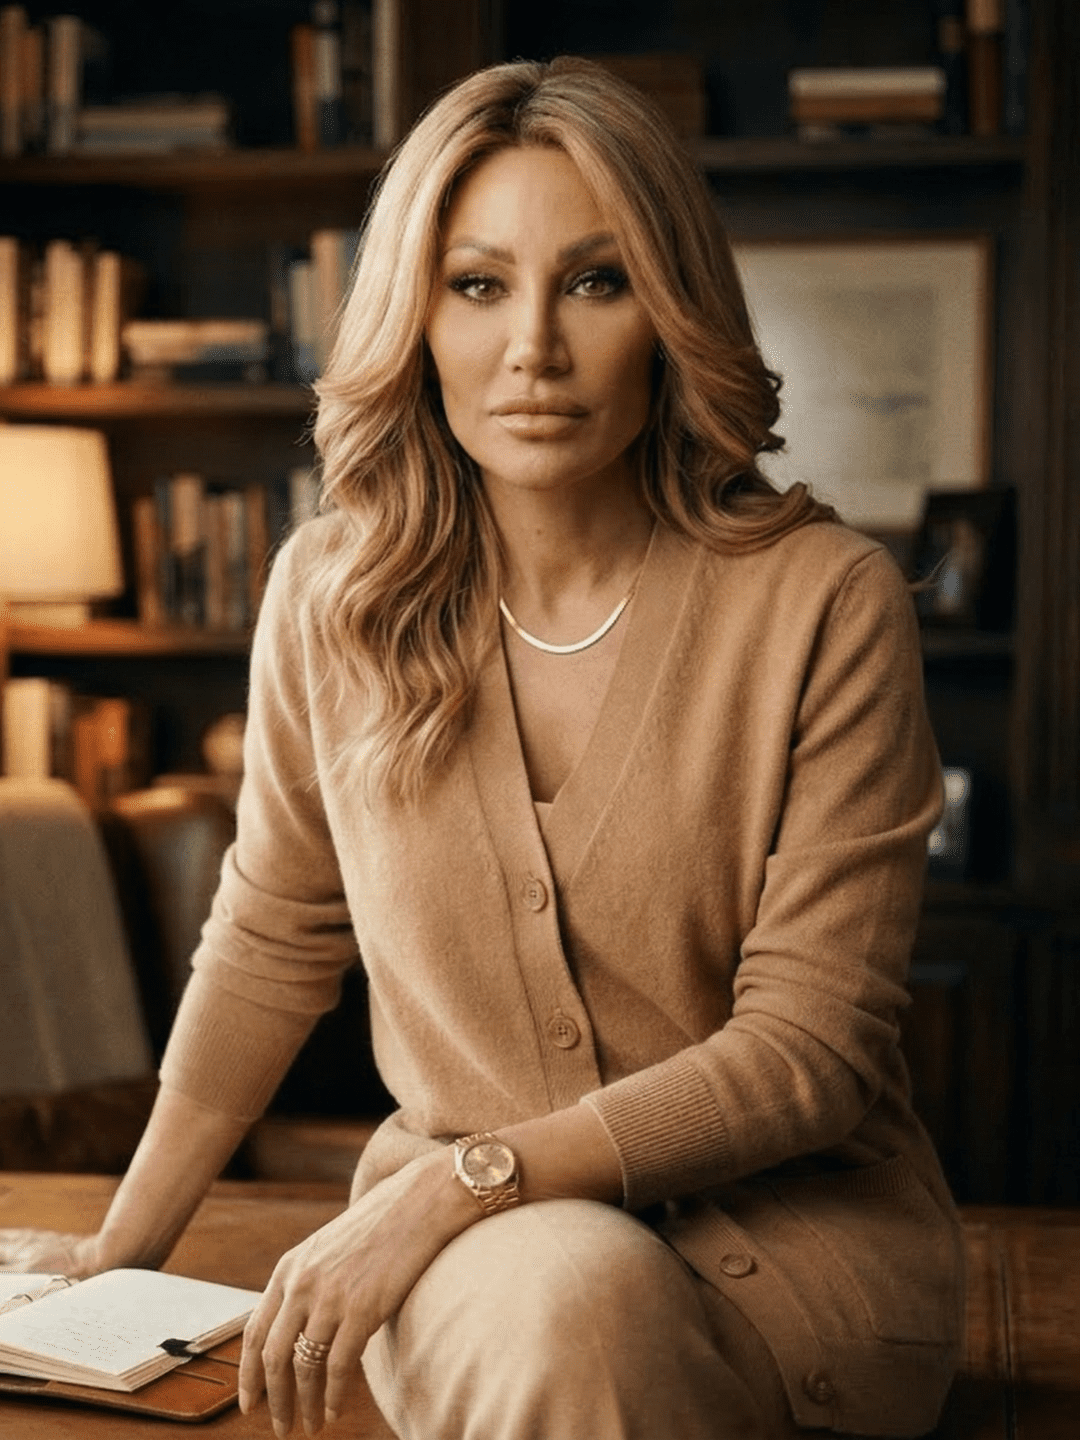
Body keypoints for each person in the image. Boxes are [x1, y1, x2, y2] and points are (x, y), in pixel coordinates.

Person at [0, 57, 964, 1440]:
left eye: (595, 280)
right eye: (477, 285)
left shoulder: (825, 602)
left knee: (572, 1295)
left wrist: (466, 1181)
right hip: (499, 1287)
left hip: (805, 1288)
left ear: (672, 310)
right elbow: (271, 939)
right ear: (415, 312)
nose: (533, 351)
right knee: (565, 1293)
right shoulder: (332, 601)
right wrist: (116, 1255)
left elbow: (809, 1050)